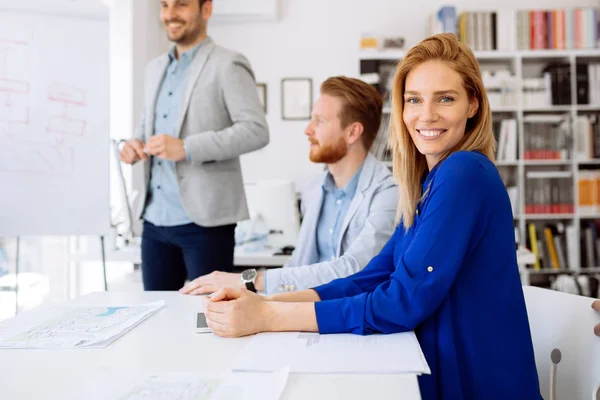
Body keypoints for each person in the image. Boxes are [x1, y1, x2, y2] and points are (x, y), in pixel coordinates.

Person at [202, 33, 542, 399]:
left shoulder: (464, 173)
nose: (426, 115)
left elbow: (401, 302)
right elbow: (368, 279)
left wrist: (269, 318)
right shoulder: (428, 185)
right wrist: (265, 302)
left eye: (445, 98)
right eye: (413, 100)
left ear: (473, 104)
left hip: (476, 386)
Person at [180, 76, 397, 295]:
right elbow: (299, 266)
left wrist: (250, 279)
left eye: (319, 121)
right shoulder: (314, 189)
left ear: (352, 132)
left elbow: (355, 269)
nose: (307, 130)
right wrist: (248, 293)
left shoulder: (388, 194)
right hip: (308, 309)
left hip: (353, 316)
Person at [119, 0, 269, 290]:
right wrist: (134, 143)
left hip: (206, 222)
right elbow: (146, 125)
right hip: (154, 220)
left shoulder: (228, 63)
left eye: (181, 5)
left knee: (211, 319)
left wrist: (187, 147)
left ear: (206, 9)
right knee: (158, 315)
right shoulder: (154, 68)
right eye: (164, 5)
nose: (170, 14)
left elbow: (256, 131)